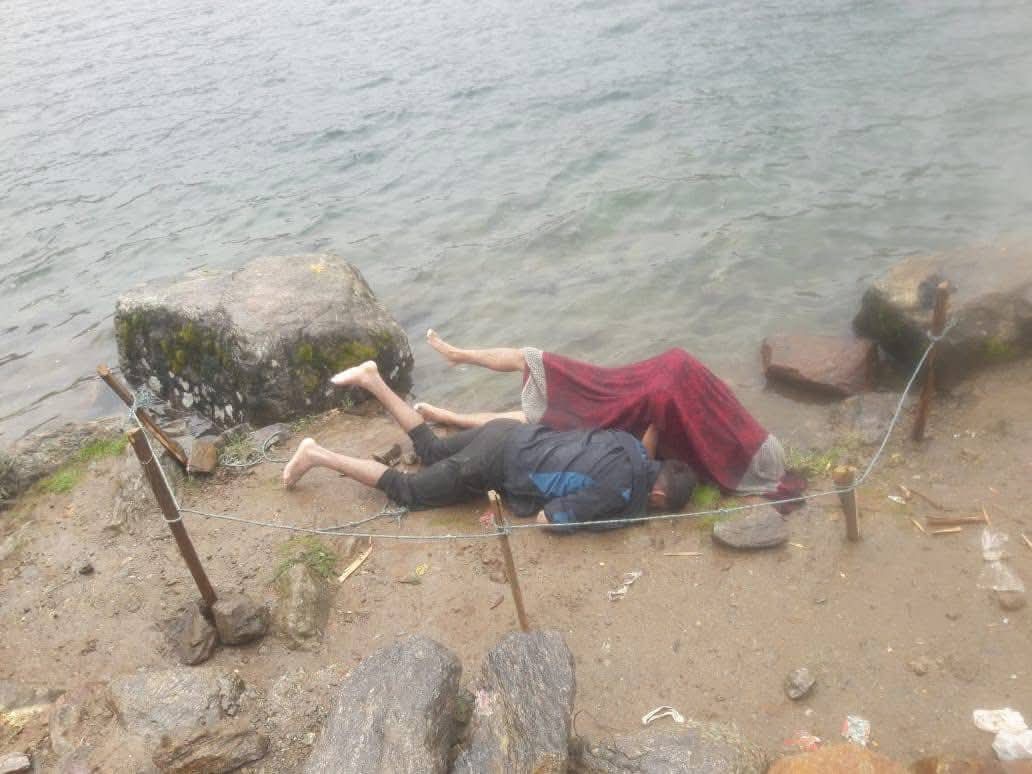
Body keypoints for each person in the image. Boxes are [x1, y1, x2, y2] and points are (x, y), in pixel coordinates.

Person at [282, 360, 698, 529]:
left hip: (507, 432)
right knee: (407, 491)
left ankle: (372, 379)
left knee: (431, 450)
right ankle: (317, 454)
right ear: (657, 497)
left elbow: (648, 445)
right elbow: (547, 520)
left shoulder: (631, 446)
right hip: (496, 463)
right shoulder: (619, 490)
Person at [417, 331, 804, 503]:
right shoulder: (712, 417)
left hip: (612, 404)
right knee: (528, 403)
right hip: (615, 399)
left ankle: (453, 410)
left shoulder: (688, 383)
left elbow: (648, 451)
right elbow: (651, 452)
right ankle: (457, 364)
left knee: (529, 409)